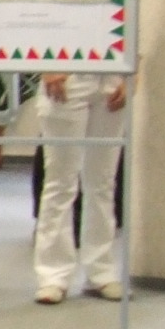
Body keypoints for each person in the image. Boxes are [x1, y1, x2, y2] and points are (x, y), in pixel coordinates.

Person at [33, 69, 128, 302]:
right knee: (60, 182)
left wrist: (133, 75)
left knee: (103, 183)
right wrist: (45, 66)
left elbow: (139, 43)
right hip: (66, 78)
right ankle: (53, 277)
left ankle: (101, 272)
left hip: (113, 79)